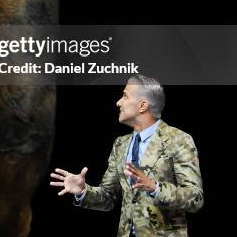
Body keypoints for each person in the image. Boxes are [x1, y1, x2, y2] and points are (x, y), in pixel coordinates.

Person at [50, 74, 203, 236]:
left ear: (143, 106)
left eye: (125, 96)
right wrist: (82, 191)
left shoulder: (178, 140)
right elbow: (108, 197)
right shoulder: (120, 144)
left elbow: (195, 198)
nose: (118, 103)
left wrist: (155, 188)